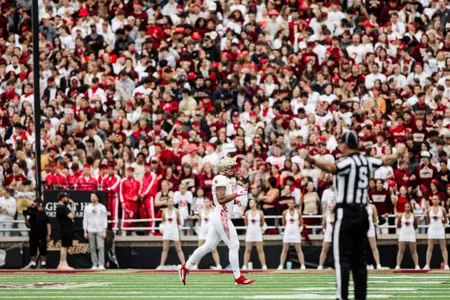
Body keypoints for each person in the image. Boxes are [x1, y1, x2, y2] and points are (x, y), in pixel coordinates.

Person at [304, 131, 406, 300]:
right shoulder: (366, 161)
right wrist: (398, 153)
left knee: (342, 259)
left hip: (345, 214)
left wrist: (310, 159)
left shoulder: (347, 163)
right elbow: (386, 160)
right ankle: (360, 297)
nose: (339, 146)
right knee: (360, 261)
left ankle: (341, 297)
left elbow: (331, 168)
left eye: (340, 143)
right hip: (362, 214)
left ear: (345, 145)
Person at [178, 157, 254, 286]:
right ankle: (238, 277)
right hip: (221, 215)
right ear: (225, 168)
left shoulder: (230, 179)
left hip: (222, 215)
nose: (234, 169)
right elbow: (220, 199)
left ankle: (185, 267)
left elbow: (227, 197)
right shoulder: (220, 178)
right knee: (234, 244)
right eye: (231, 167)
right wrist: (237, 194)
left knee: (209, 246)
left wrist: (236, 199)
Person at [156, 198, 185, 270]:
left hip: (175, 231)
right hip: (167, 232)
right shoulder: (164, 211)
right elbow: (162, 222)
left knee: (179, 249)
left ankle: (184, 265)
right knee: (165, 249)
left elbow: (179, 223)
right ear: (167, 203)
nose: (171, 203)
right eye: (169, 201)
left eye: (172, 201)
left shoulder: (176, 211)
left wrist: (179, 234)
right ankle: (161, 265)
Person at [193, 198, 221, 270]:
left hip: (211, 233)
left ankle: (218, 265)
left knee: (214, 249)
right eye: (205, 202)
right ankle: (196, 265)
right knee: (199, 249)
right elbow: (199, 222)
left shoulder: (213, 211)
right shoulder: (201, 212)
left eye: (207, 201)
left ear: (210, 202)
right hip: (202, 232)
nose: (206, 203)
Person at [277, 198, 306, 270]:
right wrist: (287, 229)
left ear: (294, 204)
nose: (291, 204)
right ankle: (281, 265)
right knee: (284, 250)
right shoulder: (284, 212)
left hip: (296, 232)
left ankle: (302, 265)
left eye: (292, 203)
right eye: (290, 203)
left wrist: (299, 229)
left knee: (299, 249)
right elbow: (283, 222)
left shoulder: (298, 212)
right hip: (288, 232)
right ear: (288, 204)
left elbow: (301, 222)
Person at [83, 193, 108, 270]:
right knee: (92, 248)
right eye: (91, 197)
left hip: (100, 230)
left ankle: (101, 264)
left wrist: (104, 231)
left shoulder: (102, 207)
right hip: (90, 230)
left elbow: (104, 219)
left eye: (94, 196)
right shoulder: (87, 208)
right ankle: (94, 264)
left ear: (98, 198)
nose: (92, 198)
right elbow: (85, 220)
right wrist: (85, 231)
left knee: (100, 247)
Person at [423, 195, 449, 270]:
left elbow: (445, 220)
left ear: (439, 200)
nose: (434, 200)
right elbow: (427, 221)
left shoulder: (443, 209)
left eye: (435, 199)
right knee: (430, 247)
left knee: (443, 248)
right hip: (432, 229)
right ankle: (427, 265)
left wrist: (440, 223)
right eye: (433, 199)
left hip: (440, 229)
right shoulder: (429, 209)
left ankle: (446, 265)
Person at [24, 199, 51, 269]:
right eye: (38, 206)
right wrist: (25, 217)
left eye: (41, 207)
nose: (39, 208)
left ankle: (43, 263)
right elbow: (28, 225)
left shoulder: (45, 216)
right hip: (33, 235)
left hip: (42, 236)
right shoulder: (32, 216)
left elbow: (48, 225)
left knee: (43, 250)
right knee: (33, 250)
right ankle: (33, 263)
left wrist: (49, 235)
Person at [242, 199, 267, 270]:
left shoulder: (260, 213)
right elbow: (246, 223)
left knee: (260, 250)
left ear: (256, 204)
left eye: (252, 202)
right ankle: (245, 265)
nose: (250, 204)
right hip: (249, 233)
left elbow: (262, 223)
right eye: (250, 202)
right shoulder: (247, 213)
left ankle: (264, 265)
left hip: (258, 233)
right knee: (247, 250)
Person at [395, 202, 420, 270]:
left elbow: (416, 226)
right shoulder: (401, 216)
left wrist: (411, 231)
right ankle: (398, 265)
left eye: (408, 207)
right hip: (403, 234)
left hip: (411, 234)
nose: (407, 208)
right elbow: (398, 225)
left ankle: (417, 265)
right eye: (405, 207)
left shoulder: (414, 216)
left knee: (413, 250)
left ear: (410, 207)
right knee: (401, 250)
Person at [56, 192, 75, 270]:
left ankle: (62, 263)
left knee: (65, 246)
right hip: (65, 229)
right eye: (66, 197)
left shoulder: (63, 207)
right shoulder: (61, 207)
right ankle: (63, 263)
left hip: (66, 229)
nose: (68, 199)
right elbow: (71, 216)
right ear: (62, 198)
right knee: (64, 246)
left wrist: (71, 206)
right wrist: (73, 206)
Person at [367, 202, 384, 270]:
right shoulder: (359, 206)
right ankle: (364, 264)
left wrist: (373, 223)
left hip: (370, 227)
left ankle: (378, 264)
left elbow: (375, 219)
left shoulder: (372, 207)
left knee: (374, 247)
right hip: (361, 228)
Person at [318, 201, 335, 270]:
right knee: (324, 249)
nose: (331, 208)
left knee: (338, 250)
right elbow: (323, 225)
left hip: (335, 234)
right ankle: (320, 265)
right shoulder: (325, 215)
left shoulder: (338, 215)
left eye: (332, 206)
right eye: (330, 206)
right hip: (328, 233)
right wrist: (325, 231)